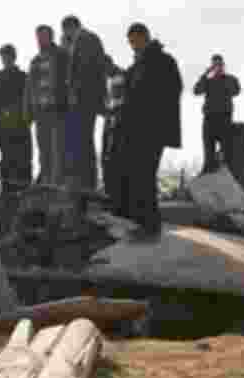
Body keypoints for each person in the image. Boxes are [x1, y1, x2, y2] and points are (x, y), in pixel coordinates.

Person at [114, 22, 183, 240]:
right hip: (137, 130)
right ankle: (142, 222)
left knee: (143, 174)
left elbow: (174, 88)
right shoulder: (139, 64)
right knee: (136, 174)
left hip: (153, 129)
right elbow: (127, 86)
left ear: (144, 37)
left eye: (135, 41)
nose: (132, 46)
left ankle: (150, 226)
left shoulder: (162, 60)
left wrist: (149, 106)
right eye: (130, 42)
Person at [61, 15, 106, 195]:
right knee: (81, 141)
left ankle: (87, 183)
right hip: (83, 99)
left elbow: (86, 70)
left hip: (85, 99)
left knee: (83, 141)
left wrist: (75, 93)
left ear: (70, 27)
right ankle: (84, 181)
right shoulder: (81, 40)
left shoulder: (86, 39)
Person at [0, 45, 31, 194]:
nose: (6, 58)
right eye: (4, 55)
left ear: (14, 56)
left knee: (22, 161)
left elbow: (29, 100)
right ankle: (2, 195)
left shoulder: (24, 77)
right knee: (2, 163)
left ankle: (24, 192)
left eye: (9, 55)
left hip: (19, 125)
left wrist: (22, 116)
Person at [25, 24, 70, 186]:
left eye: (43, 36)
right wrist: (28, 111)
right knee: (44, 148)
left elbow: (69, 81)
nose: (40, 39)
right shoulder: (35, 60)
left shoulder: (61, 55)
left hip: (57, 109)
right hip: (40, 111)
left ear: (51, 36)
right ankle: (46, 181)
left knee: (58, 148)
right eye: (38, 36)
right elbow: (29, 88)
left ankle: (57, 183)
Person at [193, 54, 240, 174]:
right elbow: (196, 90)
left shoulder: (230, 79)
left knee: (226, 153)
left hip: (224, 119)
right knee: (209, 153)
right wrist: (205, 74)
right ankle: (208, 173)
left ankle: (225, 175)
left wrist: (223, 77)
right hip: (209, 120)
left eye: (219, 64)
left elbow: (236, 90)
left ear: (223, 65)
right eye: (215, 65)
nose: (217, 67)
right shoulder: (208, 81)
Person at [101, 55, 127, 213]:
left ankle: (114, 198)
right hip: (111, 122)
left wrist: (108, 112)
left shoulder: (119, 77)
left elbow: (118, 104)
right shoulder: (111, 79)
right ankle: (111, 196)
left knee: (112, 160)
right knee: (108, 159)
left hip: (116, 123)